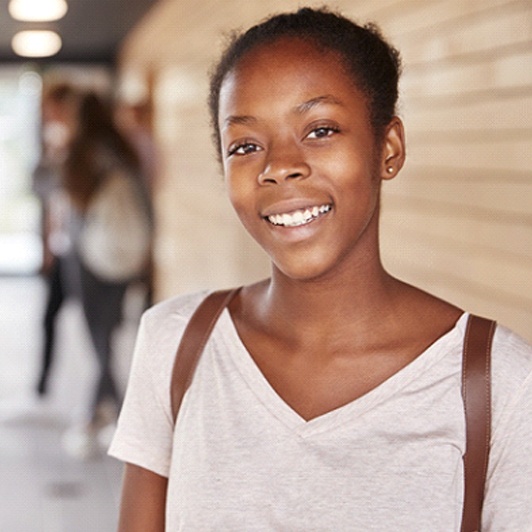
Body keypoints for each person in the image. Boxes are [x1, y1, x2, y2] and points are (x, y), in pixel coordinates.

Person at [109, 7, 532, 530]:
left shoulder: (498, 385)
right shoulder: (173, 345)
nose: (279, 165)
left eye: (320, 130)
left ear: (389, 148)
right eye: (245, 145)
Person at [61, 91, 152, 458]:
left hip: (87, 256)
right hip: (124, 255)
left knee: (98, 337)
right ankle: (106, 411)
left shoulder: (78, 153)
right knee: (108, 332)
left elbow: (72, 205)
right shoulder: (123, 149)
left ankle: (102, 414)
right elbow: (144, 202)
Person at [31, 81, 79, 396]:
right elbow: (50, 200)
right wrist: (47, 245)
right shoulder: (54, 144)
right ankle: (43, 382)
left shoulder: (82, 145)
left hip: (84, 248)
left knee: (96, 329)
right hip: (63, 246)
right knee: (49, 317)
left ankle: (105, 399)